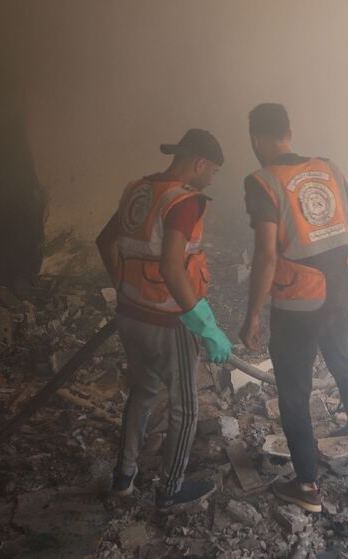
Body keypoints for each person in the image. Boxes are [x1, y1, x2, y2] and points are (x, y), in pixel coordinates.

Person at [239, 103, 348, 513]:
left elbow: (266, 255)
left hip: (300, 301)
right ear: (289, 131)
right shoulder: (328, 168)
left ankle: (306, 488)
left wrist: (251, 314)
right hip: (343, 287)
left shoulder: (262, 181)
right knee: (340, 355)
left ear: (256, 139)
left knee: (295, 391)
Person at [96, 129, 231, 510]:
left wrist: (124, 288)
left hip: (130, 315)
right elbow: (173, 267)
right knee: (185, 407)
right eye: (214, 172)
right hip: (169, 322)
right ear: (199, 163)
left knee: (141, 393)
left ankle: (123, 478)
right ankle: (169, 491)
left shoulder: (138, 190)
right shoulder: (185, 201)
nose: (211, 179)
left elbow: (103, 241)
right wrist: (205, 325)